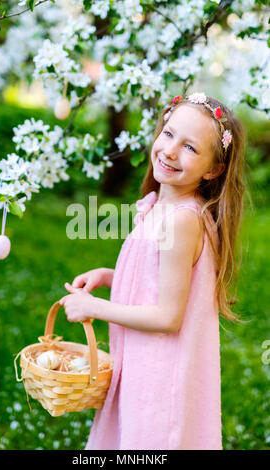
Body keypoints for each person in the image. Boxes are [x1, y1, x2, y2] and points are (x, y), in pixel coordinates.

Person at [59, 92, 248, 450]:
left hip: (159, 377)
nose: (171, 150)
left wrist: (93, 308)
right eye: (168, 134)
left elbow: (168, 316)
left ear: (213, 169)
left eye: (191, 147)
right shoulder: (164, 207)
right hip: (143, 365)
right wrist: (109, 275)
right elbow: (160, 280)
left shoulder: (181, 221)